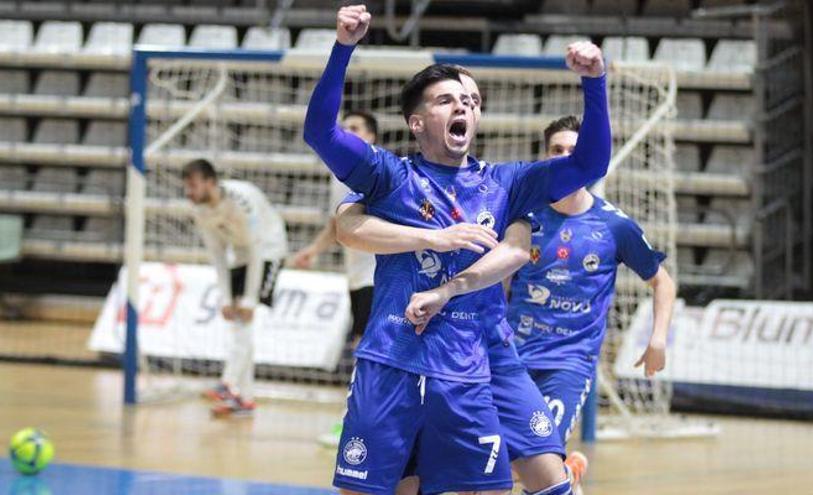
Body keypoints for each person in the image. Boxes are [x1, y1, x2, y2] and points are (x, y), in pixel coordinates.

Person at [304, 5, 609, 494]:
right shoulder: (391, 177)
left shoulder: (507, 183)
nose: (463, 107)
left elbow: (590, 161)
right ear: (417, 122)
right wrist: (343, 48)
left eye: (471, 100)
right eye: (447, 100)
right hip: (393, 357)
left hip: (470, 362)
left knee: (502, 485)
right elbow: (321, 133)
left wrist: (595, 82)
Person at [405, 116, 676, 447]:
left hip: (569, 363)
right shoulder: (524, 215)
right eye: (556, 149)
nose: (564, 156)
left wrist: (657, 339)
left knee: (539, 452)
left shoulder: (614, 226)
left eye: (573, 150)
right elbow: (497, 276)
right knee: (487, 456)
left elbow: (662, 283)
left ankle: (564, 472)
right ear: (545, 155)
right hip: (512, 356)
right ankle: (569, 477)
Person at [292, 111, 379, 446]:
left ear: (371, 137)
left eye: (356, 128)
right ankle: (362, 421)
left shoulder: (376, 170)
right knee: (365, 348)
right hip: (356, 276)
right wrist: (313, 250)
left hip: (378, 274)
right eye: (344, 127)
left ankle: (355, 424)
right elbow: (337, 223)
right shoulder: (339, 174)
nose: (347, 132)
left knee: (365, 348)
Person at [183, 159, 288, 417]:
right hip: (240, 253)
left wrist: (250, 298)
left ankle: (228, 383)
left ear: (210, 182)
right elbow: (218, 254)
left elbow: (256, 250)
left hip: (268, 248)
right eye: (186, 187)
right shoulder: (200, 210)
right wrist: (226, 297)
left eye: (194, 186)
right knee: (240, 325)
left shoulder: (240, 202)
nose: (189, 192)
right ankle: (244, 398)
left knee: (245, 317)